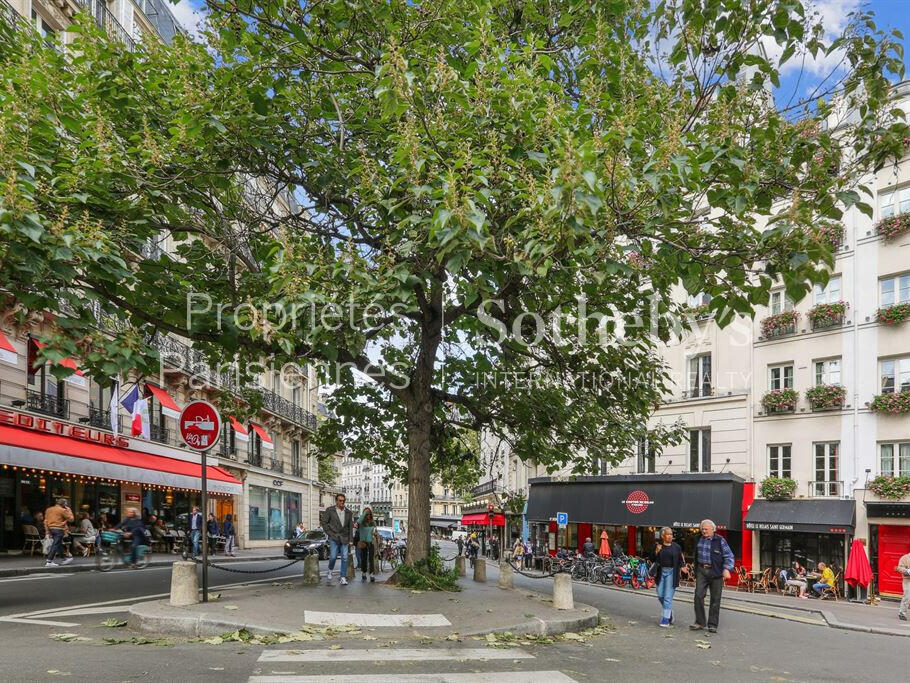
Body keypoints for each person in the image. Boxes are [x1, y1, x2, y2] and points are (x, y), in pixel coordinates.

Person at [689, 519, 734, 634]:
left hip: (716, 572)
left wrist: (726, 569)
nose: (704, 531)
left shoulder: (720, 540)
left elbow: (729, 556)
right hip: (701, 570)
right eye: (702, 529)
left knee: (715, 599)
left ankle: (712, 624)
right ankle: (700, 622)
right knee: (698, 596)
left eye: (706, 529)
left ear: (713, 529)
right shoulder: (697, 538)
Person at [651, 527, 684, 627]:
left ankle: (665, 619)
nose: (670, 536)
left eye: (671, 534)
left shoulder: (677, 547)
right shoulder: (657, 546)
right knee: (660, 595)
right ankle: (669, 612)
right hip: (661, 572)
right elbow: (651, 558)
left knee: (667, 597)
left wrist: (683, 567)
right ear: (662, 536)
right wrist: (656, 552)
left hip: (672, 573)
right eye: (668, 534)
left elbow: (680, 560)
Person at [319, 493, 353, 585]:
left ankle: (343, 577)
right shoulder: (330, 510)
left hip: (345, 538)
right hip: (334, 537)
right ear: (336, 501)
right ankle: (330, 570)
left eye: (343, 501)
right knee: (333, 556)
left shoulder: (349, 512)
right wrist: (330, 533)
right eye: (340, 500)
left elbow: (350, 527)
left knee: (345, 558)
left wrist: (351, 540)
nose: (342, 502)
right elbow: (324, 523)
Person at [43, 498, 74, 567]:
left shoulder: (49, 509)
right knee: (56, 544)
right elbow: (71, 519)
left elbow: (45, 521)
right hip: (58, 529)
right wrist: (69, 510)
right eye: (66, 504)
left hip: (50, 528)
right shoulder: (63, 510)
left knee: (59, 544)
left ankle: (64, 559)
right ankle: (49, 560)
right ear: (64, 504)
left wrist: (47, 531)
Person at [357, 507, 379, 582]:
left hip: (371, 542)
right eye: (366, 514)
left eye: (369, 514)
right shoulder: (361, 522)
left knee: (371, 558)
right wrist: (364, 513)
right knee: (364, 558)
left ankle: (372, 574)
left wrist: (375, 533)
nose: (368, 515)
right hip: (363, 542)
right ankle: (363, 572)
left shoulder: (373, 522)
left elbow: (376, 532)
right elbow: (358, 522)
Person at [895, 551, 910, 621]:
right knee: (907, 597)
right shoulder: (904, 558)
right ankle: (902, 613)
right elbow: (899, 568)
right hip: (908, 580)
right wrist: (908, 571)